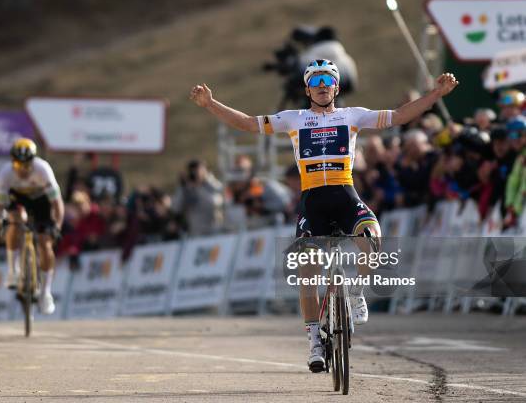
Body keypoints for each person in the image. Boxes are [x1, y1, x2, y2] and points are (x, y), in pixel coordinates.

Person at [190, 59, 458, 372]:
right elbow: (249, 123)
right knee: (308, 273)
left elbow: (399, 117)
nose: (321, 86)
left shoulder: (352, 115)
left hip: (346, 196)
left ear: (336, 87)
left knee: (373, 238)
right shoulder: (294, 119)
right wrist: (210, 104)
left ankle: (356, 293)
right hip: (312, 203)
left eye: (326, 80)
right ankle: (314, 341)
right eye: (314, 81)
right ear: (307, 89)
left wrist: (435, 95)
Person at [0, 138, 64, 315]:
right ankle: (13, 270)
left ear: (33, 161)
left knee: (45, 243)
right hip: (18, 200)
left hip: (42, 202)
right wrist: (0, 227)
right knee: (15, 222)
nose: (23, 170)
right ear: (12, 162)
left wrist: (57, 226)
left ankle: (46, 292)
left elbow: (57, 203)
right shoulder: (5, 173)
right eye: (18, 164)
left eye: (26, 165)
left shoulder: (43, 169)